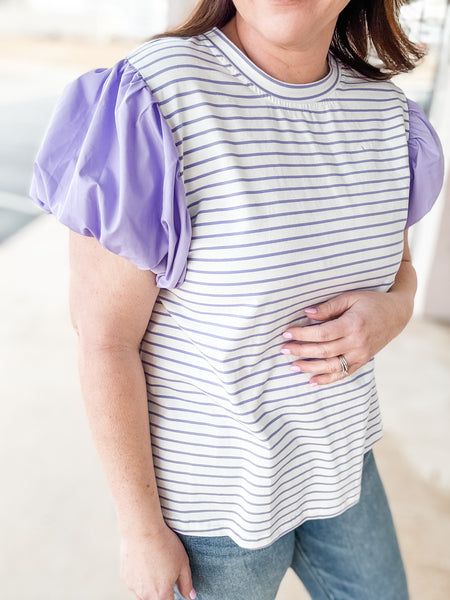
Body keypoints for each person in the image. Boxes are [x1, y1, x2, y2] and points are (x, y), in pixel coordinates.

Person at [30, 1, 444, 599]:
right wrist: (140, 528)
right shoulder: (154, 97)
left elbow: (400, 269)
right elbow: (105, 341)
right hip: (210, 511)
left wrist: (396, 310)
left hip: (343, 466)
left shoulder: (386, 114)